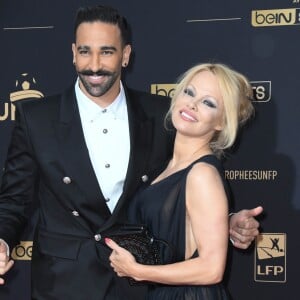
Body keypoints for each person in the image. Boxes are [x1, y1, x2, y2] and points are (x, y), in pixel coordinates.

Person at [0, 4, 262, 300]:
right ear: (73, 53)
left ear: (125, 55)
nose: (94, 64)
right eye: (85, 51)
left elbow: (179, 184)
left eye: (107, 51)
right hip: (63, 284)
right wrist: (2, 241)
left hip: (139, 285)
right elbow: (14, 199)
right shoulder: (36, 118)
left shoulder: (164, 115)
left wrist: (221, 220)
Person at [106, 62, 255, 299]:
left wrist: (138, 271)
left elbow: (211, 269)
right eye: (189, 92)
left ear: (221, 123)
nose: (192, 104)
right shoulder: (164, 167)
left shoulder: (202, 174)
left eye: (208, 103)